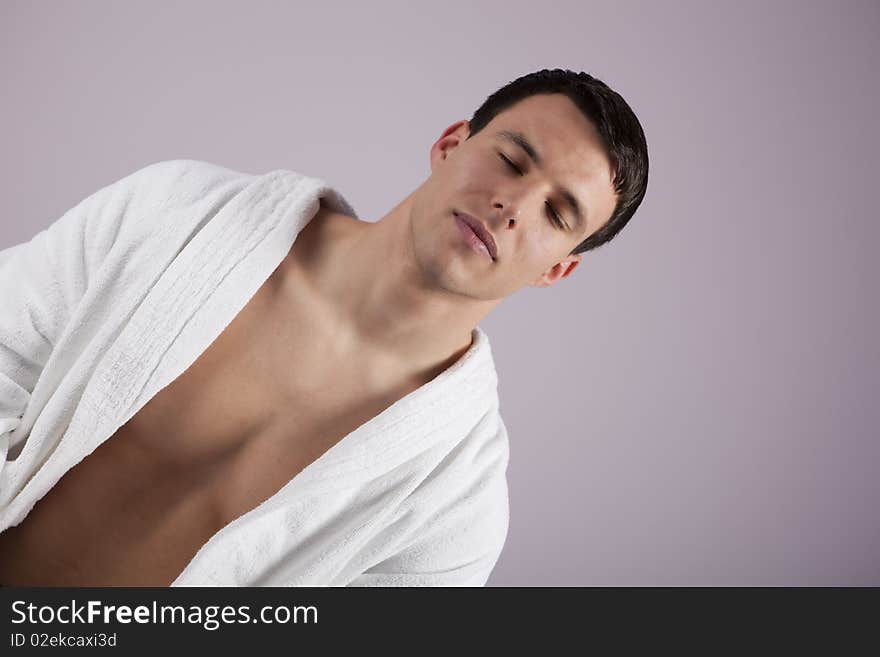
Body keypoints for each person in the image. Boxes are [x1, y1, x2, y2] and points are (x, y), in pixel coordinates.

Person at [0, 68, 648, 586]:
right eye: (511, 159)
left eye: (558, 213)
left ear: (556, 270)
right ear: (451, 144)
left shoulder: (457, 506)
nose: (514, 205)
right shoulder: (177, 211)